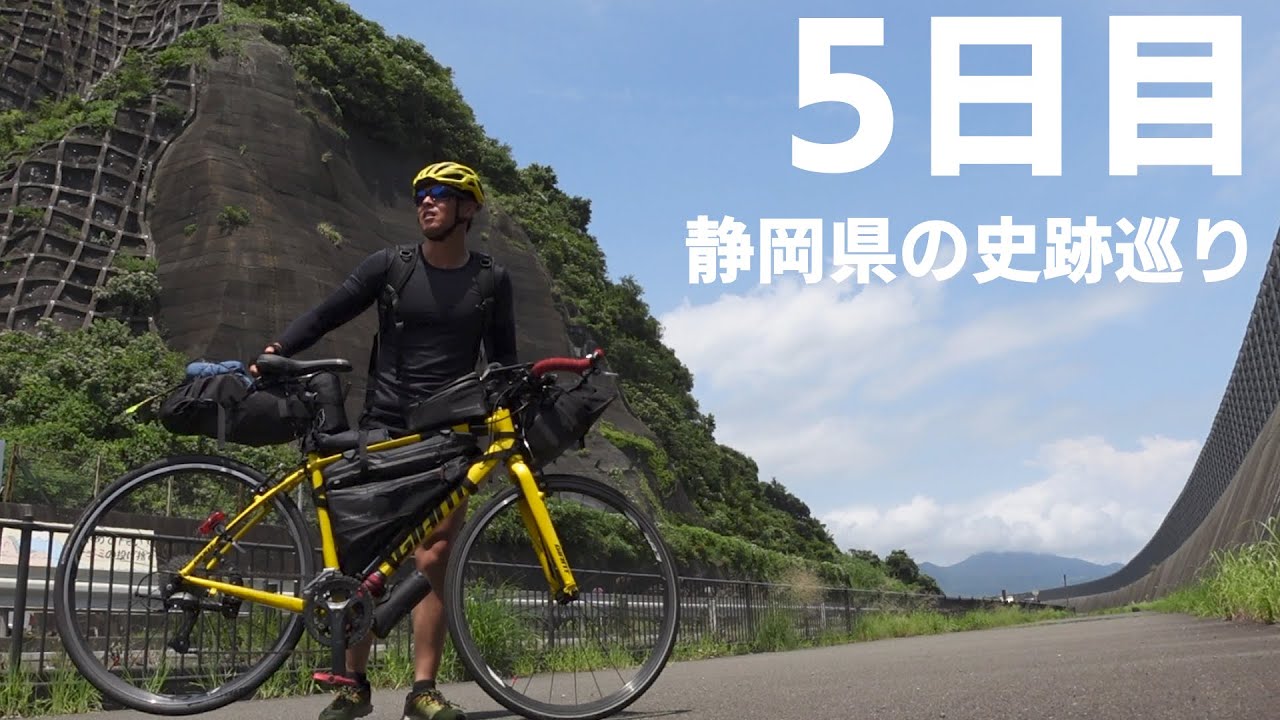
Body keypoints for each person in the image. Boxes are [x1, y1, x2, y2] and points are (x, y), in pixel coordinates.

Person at [255, 161, 517, 720]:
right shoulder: (390, 267)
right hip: (384, 425)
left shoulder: (492, 281)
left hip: (452, 434)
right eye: (420, 193)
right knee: (367, 556)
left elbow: (503, 364)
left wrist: (511, 417)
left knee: (435, 556)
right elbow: (329, 312)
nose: (426, 201)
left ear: (468, 209)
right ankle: (354, 685)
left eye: (440, 194)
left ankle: (423, 690)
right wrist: (276, 350)